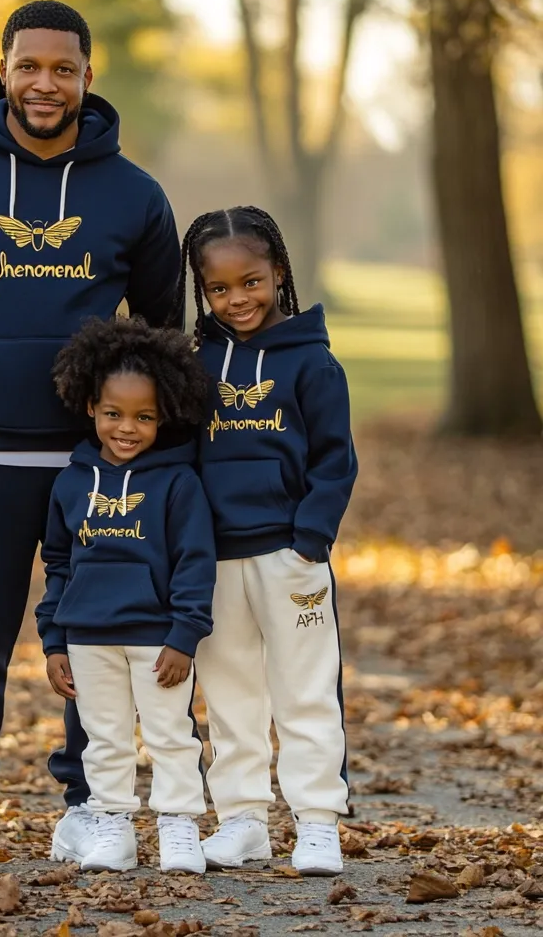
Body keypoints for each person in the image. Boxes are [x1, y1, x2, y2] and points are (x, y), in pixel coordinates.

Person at [0, 0, 182, 874]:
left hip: (96, 462)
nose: (44, 84)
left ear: (89, 75)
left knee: (96, 639)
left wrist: (121, 427)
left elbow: (161, 327)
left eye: (62, 68)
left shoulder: (135, 194)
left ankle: (90, 805)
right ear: (2, 70)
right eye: (28, 66)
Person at [181, 206, 358, 877]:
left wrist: (310, 541)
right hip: (215, 558)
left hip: (289, 554)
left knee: (305, 689)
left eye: (250, 282)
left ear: (279, 272)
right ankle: (244, 821)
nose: (237, 299)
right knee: (230, 694)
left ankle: (317, 822)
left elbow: (335, 461)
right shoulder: (196, 364)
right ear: (203, 290)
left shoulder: (313, 362)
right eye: (219, 288)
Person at [35, 316, 214, 874]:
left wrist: (185, 635)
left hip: (157, 638)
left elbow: (194, 562)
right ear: (91, 407)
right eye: (113, 413)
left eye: (144, 417)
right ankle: (112, 827)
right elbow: (58, 564)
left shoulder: (178, 483)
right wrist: (54, 640)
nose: (127, 428)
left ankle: (179, 826)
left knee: (170, 735)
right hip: (88, 638)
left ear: (164, 416)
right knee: (104, 739)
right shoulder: (71, 482)